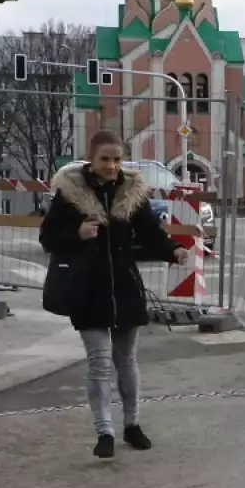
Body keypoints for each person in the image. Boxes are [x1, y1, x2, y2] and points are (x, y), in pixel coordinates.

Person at [38, 131, 184, 458]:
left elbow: (150, 233)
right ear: (91, 159)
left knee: (126, 360)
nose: (112, 166)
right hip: (87, 290)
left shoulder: (131, 193)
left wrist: (174, 250)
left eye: (117, 159)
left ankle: (132, 425)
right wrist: (77, 233)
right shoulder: (70, 194)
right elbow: (48, 238)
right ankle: (104, 432)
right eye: (105, 159)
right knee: (100, 362)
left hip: (124, 287)